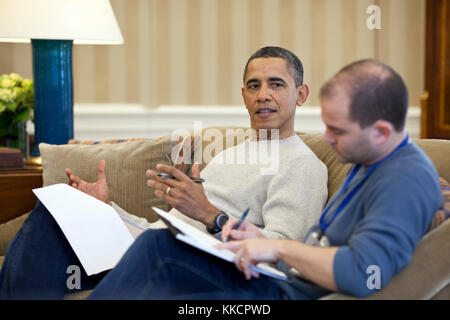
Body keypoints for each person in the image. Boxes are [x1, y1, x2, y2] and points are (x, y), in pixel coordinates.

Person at [85, 59, 443, 299]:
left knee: (158, 251)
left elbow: (365, 273)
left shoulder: (404, 180)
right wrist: (254, 238)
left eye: (337, 131)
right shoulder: (374, 160)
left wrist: (279, 247)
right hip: (275, 278)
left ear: (381, 131)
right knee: (157, 250)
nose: (328, 140)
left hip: (285, 294)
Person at [0, 47, 328, 299]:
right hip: (161, 248)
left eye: (276, 84)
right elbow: (159, 228)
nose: (263, 95)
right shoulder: (231, 153)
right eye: (253, 86)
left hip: (223, 276)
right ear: (243, 96)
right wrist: (106, 208)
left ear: (300, 95)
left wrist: (211, 215)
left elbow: (285, 256)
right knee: (54, 214)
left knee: (156, 244)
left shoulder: (302, 165)